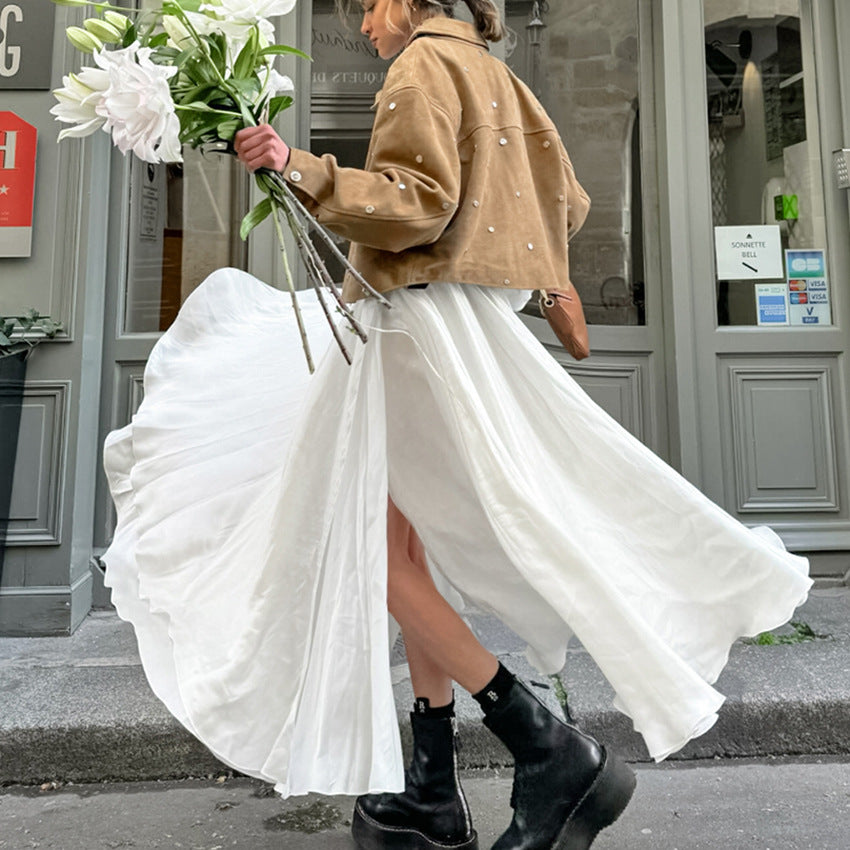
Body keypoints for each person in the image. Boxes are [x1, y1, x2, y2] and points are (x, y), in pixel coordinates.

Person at [102, 2, 812, 850]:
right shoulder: (496, 71)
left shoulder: (420, 66)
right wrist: (519, 274)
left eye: (370, 6)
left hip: (406, 324)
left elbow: (418, 205)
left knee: (358, 539)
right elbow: (568, 200)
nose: (365, 24)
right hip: (454, 323)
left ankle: (546, 748)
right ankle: (429, 786)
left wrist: (300, 166)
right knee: (401, 549)